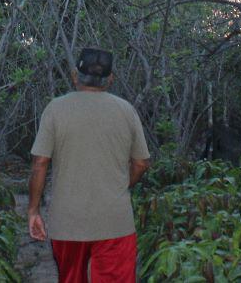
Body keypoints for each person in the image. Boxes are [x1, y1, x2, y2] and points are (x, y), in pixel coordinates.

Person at [27, 47, 151, 283]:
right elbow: (141, 163)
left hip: (67, 221)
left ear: (75, 75)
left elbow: (40, 163)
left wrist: (33, 210)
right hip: (115, 222)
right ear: (110, 79)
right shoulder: (126, 110)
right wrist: (119, 185)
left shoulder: (55, 109)